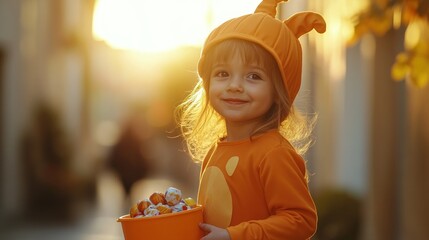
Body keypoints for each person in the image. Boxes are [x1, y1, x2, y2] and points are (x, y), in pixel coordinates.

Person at [176, 0, 326, 239]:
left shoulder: (273, 153)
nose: (235, 86)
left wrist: (233, 235)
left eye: (253, 76)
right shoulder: (217, 150)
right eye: (223, 73)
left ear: (279, 91)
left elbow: (301, 219)